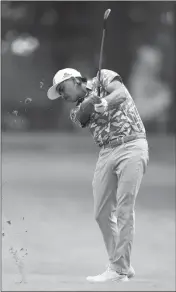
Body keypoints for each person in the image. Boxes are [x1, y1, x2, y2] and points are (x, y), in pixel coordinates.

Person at [47, 68, 149, 283]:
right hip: (106, 152)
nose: (62, 95)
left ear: (75, 81)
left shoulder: (104, 77)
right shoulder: (75, 111)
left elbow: (122, 94)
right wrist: (92, 102)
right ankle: (121, 265)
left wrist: (105, 101)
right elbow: (82, 116)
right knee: (101, 212)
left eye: (62, 89)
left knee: (124, 208)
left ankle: (118, 269)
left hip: (132, 144)